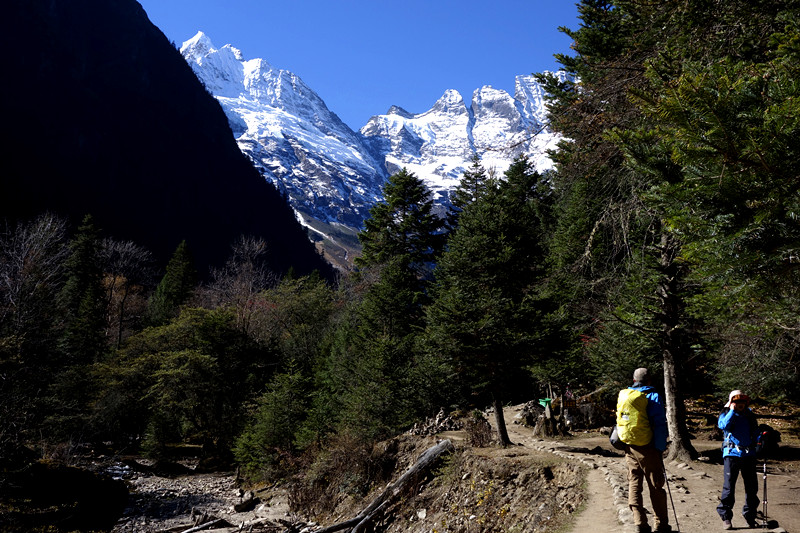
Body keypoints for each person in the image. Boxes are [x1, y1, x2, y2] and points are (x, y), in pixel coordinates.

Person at [616, 367, 670, 533]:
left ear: (634, 380)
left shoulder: (625, 395)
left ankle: (639, 522)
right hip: (648, 448)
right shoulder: (652, 396)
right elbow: (659, 424)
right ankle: (660, 525)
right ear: (649, 381)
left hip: (629, 446)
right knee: (655, 486)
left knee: (634, 482)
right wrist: (660, 447)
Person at [717, 389, 760, 530]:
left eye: (742, 401)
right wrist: (732, 411)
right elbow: (723, 426)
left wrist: (761, 441)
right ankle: (726, 517)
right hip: (731, 454)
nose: (740, 404)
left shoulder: (749, 415)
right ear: (731, 402)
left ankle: (750, 515)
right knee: (729, 488)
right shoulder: (725, 413)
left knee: (752, 488)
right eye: (736, 401)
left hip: (749, 455)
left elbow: (755, 432)